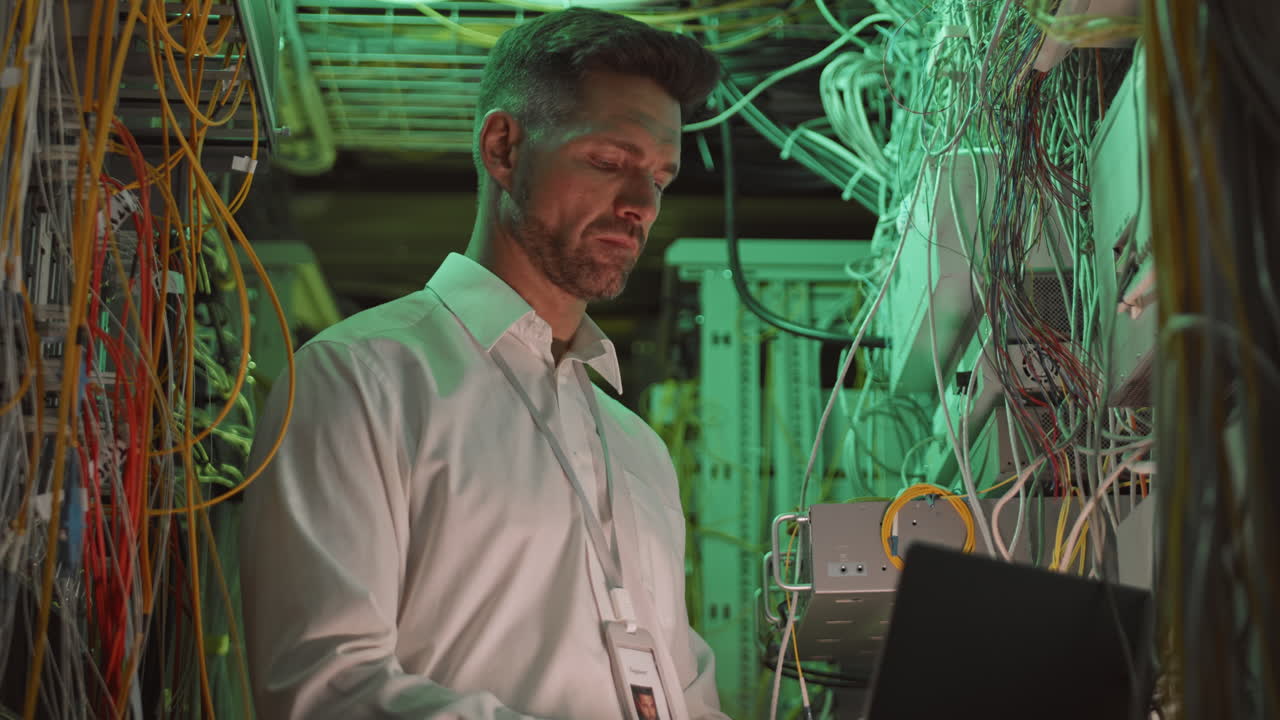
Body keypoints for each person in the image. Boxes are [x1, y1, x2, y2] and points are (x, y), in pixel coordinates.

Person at [238, 7, 728, 720]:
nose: (640, 206)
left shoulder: (638, 449)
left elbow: (687, 693)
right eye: (609, 162)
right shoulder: (362, 381)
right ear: (503, 148)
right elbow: (323, 688)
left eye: (660, 177)